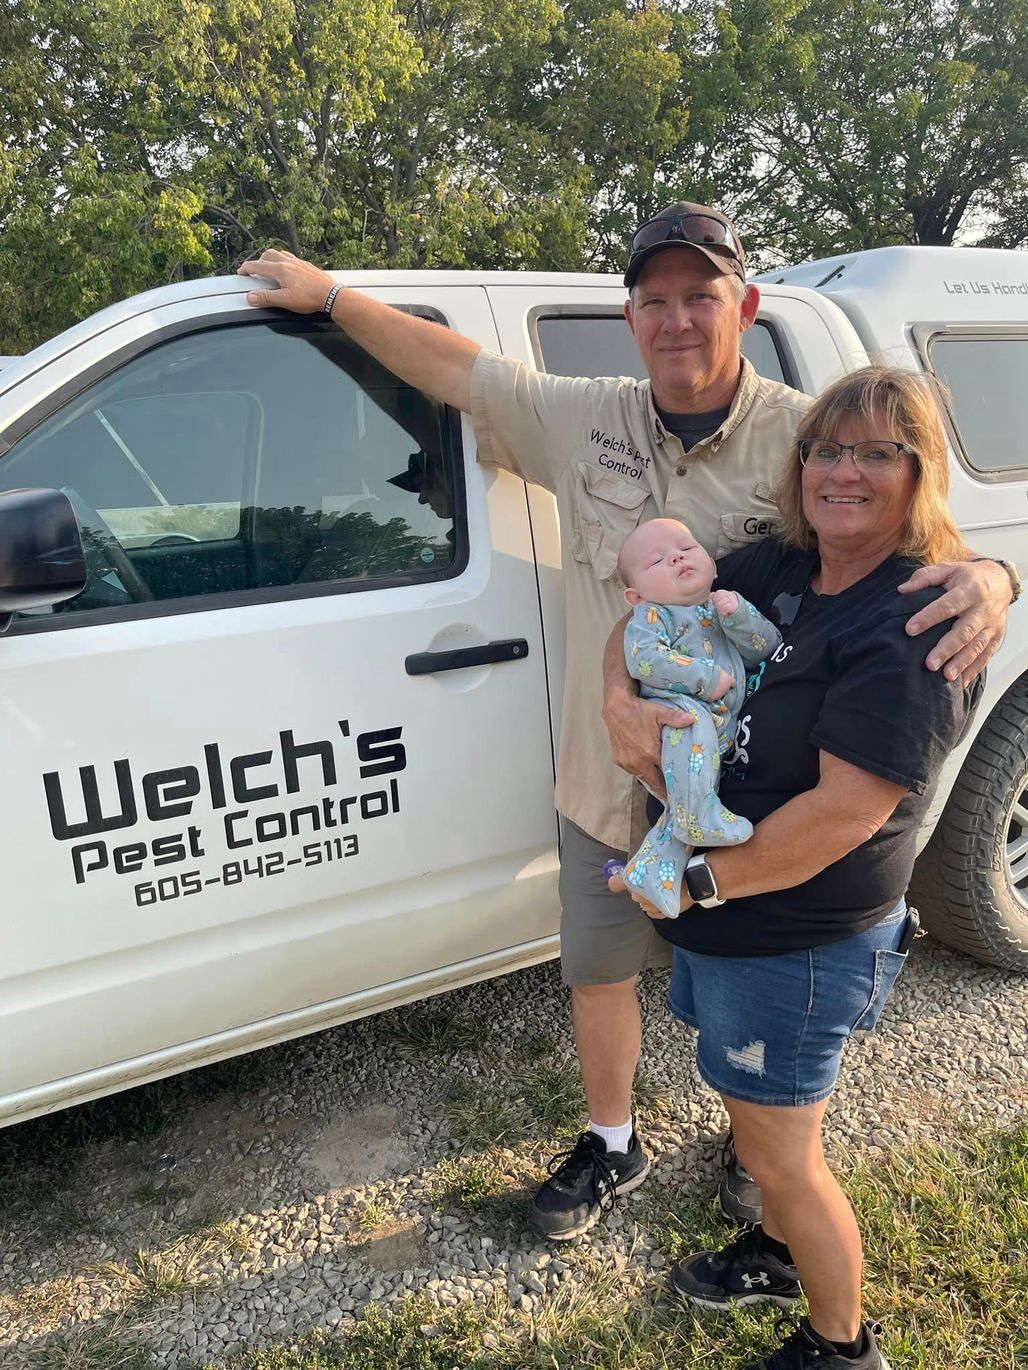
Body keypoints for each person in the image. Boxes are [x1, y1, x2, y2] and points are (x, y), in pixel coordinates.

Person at [237, 202, 1012, 1241]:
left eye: (701, 295)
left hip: (752, 792)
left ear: (742, 304)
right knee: (599, 965)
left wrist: (994, 574)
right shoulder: (581, 414)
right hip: (609, 776)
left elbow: (908, 514)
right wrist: (332, 296)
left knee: (748, 976)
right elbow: (457, 370)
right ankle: (611, 1138)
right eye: (656, 300)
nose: (678, 319)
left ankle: (759, 1147)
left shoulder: (803, 429)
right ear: (630, 316)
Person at [609, 366, 980, 1370]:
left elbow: (839, 817)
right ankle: (775, 1248)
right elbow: (649, 595)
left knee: (781, 1150)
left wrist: (697, 884)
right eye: (824, 447)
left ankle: (840, 1343)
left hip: (794, 937)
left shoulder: (911, 626)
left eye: (875, 451)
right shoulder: (777, 565)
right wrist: (617, 690)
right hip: (732, 923)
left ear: (918, 472)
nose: (842, 471)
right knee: (757, 1115)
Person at [616, 518, 781, 917]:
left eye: (686, 549)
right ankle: (700, 817)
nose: (676, 557)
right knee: (692, 794)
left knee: (685, 804)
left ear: (713, 564)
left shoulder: (722, 605)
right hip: (680, 718)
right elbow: (645, 661)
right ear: (635, 596)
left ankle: (651, 871)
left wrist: (740, 616)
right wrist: (705, 677)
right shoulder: (653, 618)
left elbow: (767, 649)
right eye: (658, 560)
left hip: (719, 730)